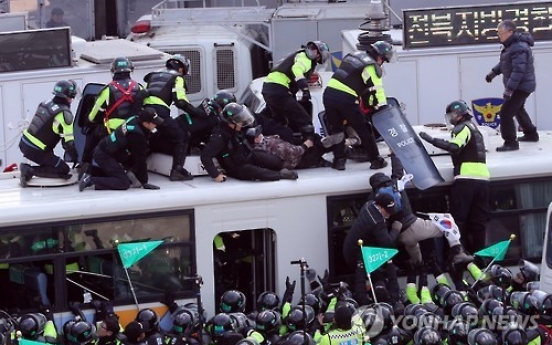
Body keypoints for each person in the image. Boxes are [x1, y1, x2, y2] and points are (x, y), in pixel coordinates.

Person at [369, 154, 474, 268]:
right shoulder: (395, 184)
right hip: (414, 227)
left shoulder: (374, 198)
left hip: (400, 236)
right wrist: (394, 153)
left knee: (412, 246)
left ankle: (417, 265)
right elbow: (398, 169)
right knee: (447, 221)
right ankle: (458, 252)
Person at [419, 100, 490, 255]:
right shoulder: (475, 129)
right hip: (483, 180)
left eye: (452, 115)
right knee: (479, 222)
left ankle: (459, 254)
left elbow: (454, 147)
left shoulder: (462, 128)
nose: (451, 118)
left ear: (459, 115)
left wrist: (432, 140)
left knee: (458, 220)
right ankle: (480, 256)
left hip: (466, 178)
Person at [323, 40, 395, 171]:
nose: (382, 63)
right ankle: (375, 160)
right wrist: (384, 107)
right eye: (383, 60)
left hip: (329, 95)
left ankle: (339, 161)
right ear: (379, 57)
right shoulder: (371, 66)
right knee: (364, 128)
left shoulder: (355, 56)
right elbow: (377, 89)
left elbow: (354, 79)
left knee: (337, 130)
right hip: (346, 98)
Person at [200, 102, 299, 182]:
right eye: (239, 120)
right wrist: (215, 175)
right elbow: (205, 156)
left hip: (247, 155)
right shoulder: (219, 137)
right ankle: (280, 175)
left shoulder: (236, 130)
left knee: (275, 161)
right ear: (231, 122)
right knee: (258, 172)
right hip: (236, 166)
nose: (241, 122)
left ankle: (280, 168)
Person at [81, 56, 146, 174]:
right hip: (134, 130)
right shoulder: (139, 87)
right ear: (130, 69)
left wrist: (89, 120)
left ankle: (86, 165)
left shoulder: (108, 90)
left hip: (113, 130)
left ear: (113, 70)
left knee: (92, 132)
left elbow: (93, 116)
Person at [78, 108, 163, 191]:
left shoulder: (134, 119)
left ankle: (90, 170)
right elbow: (140, 159)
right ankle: (90, 180)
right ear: (145, 124)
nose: (156, 125)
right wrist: (145, 182)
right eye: (154, 123)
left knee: (119, 174)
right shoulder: (137, 136)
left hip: (104, 149)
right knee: (123, 182)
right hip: (104, 154)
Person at [486, 19, 538, 151]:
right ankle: (531, 134)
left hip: (521, 86)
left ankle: (510, 143)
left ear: (510, 32)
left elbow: (518, 71)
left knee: (506, 112)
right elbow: (505, 64)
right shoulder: (512, 46)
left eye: (501, 33)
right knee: (518, 109)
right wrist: (493, 72)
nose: (499, 36)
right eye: (498, 33)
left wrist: (509, 89)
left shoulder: (518, 47)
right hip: (522, 85)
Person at [144, 54, 198, 181]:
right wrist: (196, 112)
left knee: (154, 136)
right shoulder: (177, 78)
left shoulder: (154, 75)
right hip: (159, 112)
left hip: (145, 111)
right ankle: (177, 171)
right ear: (181, 69)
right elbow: (180, 101)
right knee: (182, 136)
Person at [262, 41, 330, 138]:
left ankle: (268, 140)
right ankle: (309, 146)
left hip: (268, 88)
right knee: (305, 120)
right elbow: (296, 70)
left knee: (278, 121)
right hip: (279, 89)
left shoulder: (296, 55)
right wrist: (305, 89)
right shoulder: (305, 59)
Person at [342, 192, 401, 305]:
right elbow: (387, 243)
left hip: (350, 246)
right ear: (380, 207)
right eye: (388, 212)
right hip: (356, 255)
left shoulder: (368, 205)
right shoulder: (376, 222)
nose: (390, 214)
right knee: (377, 277)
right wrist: (396, 229)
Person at [19, 79, 79, 187]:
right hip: (36, 150)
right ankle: (28, 170)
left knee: (51, 159)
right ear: (69, 97)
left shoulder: (45, 103)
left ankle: (29, 169)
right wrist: (77, 158)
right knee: (63, 169)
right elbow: (68, 144)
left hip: (24, 143)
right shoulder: (65, 114)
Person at [245, 124, 331, 170]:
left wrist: (275, 137)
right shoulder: (272, 146)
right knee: (316, 148)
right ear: (255, 140)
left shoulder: (258, 147)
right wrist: (305, 145)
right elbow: (292, 152)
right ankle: (330, 147)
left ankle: (325, 143)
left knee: (314, 138)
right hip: (297, 160)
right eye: (258, 134)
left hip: (290, 151)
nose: (260, 134)